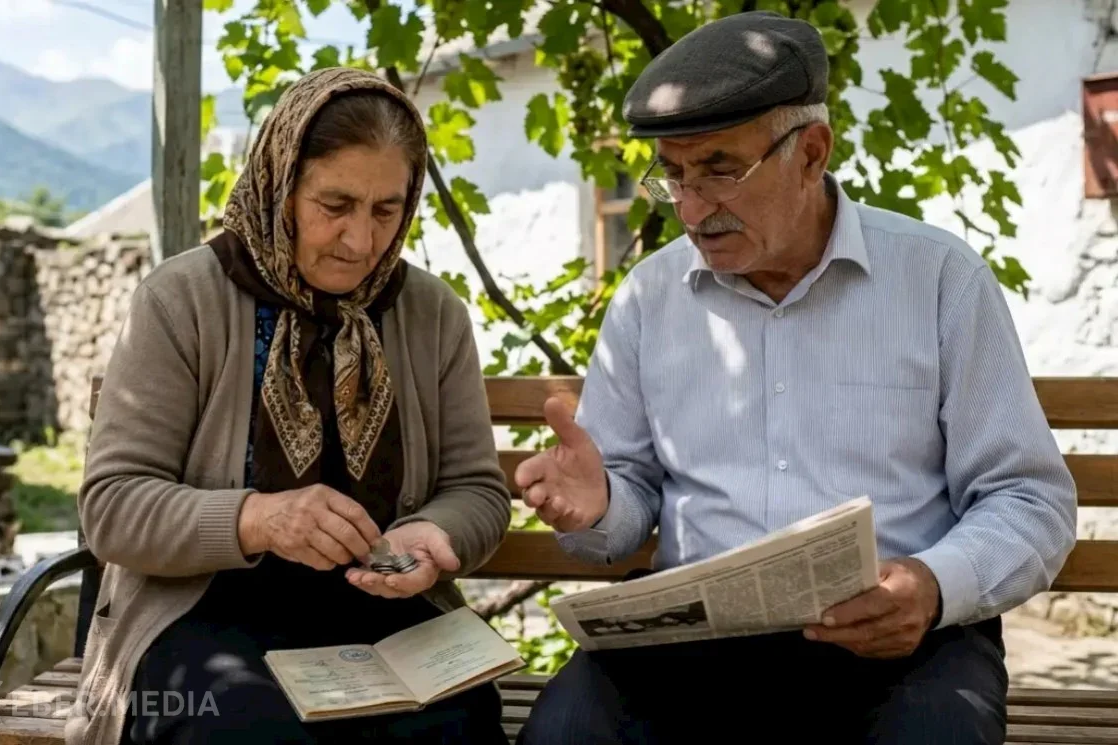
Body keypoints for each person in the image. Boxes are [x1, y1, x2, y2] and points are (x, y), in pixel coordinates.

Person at [514, 11, 1077, 745]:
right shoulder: (650, 299)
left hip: (896, 642)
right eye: (673, 175)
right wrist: (597, 508)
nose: (690, 208)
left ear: (812, 152)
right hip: (694, 646)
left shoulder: (940, 279)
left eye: (719, 168)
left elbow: (1028, 497)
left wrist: (935, 585)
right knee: (563, 732)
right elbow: (623, 514)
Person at [64, 68, 513, 745]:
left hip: (387, 614)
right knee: (250, 729)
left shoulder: (431, 314)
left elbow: (477, 488)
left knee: (456, 720)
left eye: (386, 210)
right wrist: (258, 517)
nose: (361, 241)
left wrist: (436, 534)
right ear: (282, 185)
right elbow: (115, 506)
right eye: (335, 205)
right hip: (201, 614)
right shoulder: (181, 300)